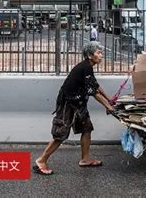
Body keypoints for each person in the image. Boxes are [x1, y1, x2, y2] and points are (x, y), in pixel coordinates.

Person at [34, 41, 114, 176]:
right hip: (68, 103)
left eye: (101, 52)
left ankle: (85, 159)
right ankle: (41, 160)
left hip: (79, 102)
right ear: (89, 55)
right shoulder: (85, 67)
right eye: (98, 53)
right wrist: (108, 106)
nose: (101, 55)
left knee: (86, 128)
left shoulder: (88, 67)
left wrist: (109, 98)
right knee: (61, 134)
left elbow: (94, 84)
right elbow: (93, 92)